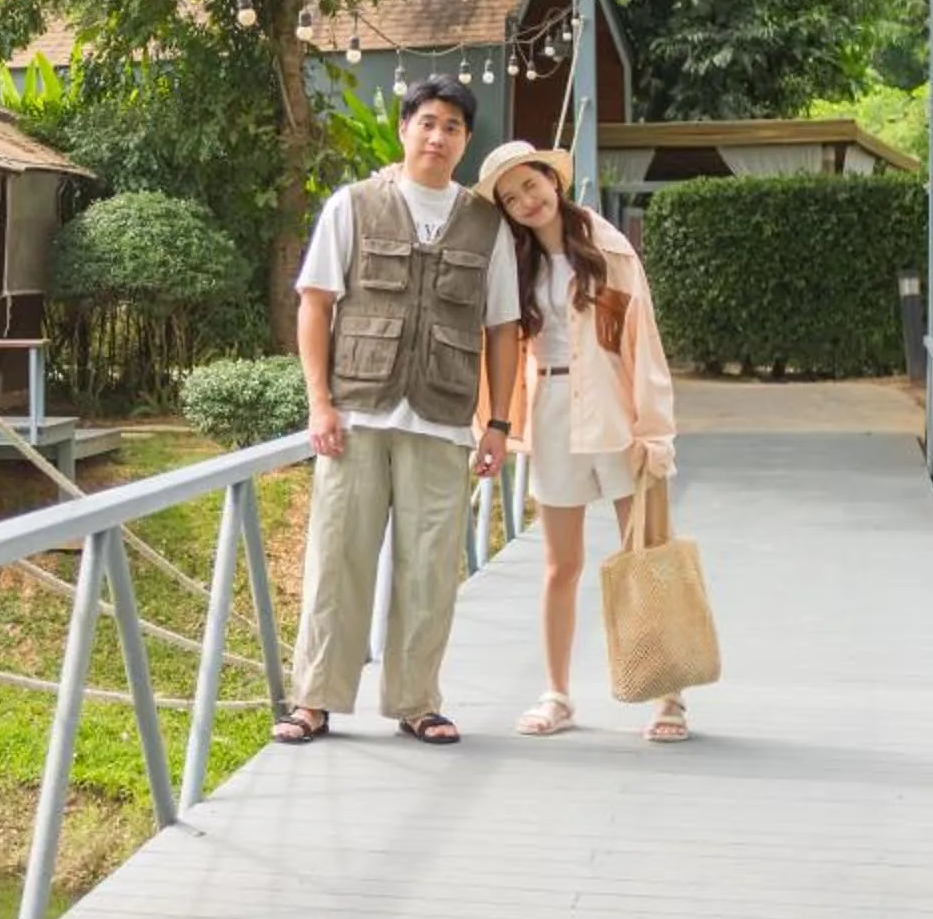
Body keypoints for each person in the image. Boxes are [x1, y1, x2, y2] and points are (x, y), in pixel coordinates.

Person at [273, 74, 521, 746]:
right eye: (428, 122)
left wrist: (498, 423)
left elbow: (502, 327)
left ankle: (416, 702)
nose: (438, 137)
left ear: (467, 141)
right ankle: (315, 701)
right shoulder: (352, 207)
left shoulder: (487, 225)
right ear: (405, 128)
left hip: (442, 420)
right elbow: (316, 304)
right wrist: (319, 403)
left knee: (432, 569)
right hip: (357, 415)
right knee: (336, 559)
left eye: (453, 127)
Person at [474, 140, 690, 743]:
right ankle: (557, 694)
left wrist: (654, 430)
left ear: (552, 180)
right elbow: (501, 342)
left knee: (645, 554)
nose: (526, 201)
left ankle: (668, 695)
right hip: (551, 410)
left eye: (531, 185)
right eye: (511, 198)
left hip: (616, 411)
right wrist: (496, 420)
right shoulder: (514, 263)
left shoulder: (606, 248)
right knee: (560, 564)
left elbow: (640, 342)